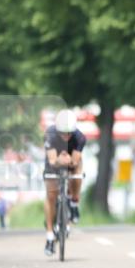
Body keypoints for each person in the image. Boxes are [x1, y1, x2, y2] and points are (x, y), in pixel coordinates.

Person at [43, 109, 85, 256]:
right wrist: (60, 160)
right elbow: (53, 161)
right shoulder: (51, 134)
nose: (66, 136)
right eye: (63, 133)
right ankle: (49, 236)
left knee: (78, 172)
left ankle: (74, 202)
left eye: (69, 133)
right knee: (51, 195)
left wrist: (70, 162)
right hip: (54, 163)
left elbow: (74, 161)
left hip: (71, 161)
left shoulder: (79, 138)